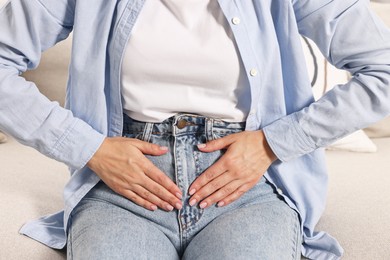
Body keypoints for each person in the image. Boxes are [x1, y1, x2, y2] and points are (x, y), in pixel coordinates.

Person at [0, 0, 389, 259]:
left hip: (249, 187)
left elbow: (382, 69)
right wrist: (89, 148)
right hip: (122, 187)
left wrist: (273, 144)